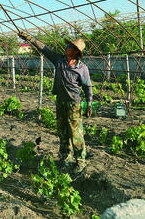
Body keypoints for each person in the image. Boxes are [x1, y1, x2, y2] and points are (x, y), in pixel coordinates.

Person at [17, 29, 93, 173]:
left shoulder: (82, 68)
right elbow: (44, 48)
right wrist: (29, 38)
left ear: (76, 52)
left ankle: (80, 161)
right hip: (60, 102)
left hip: (73, 104)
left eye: (69, 46)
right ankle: (66, 158)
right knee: (62, 131)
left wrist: (89, 103)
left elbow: (87, 86)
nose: (66, 48)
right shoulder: (59, 60)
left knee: (75, 133)